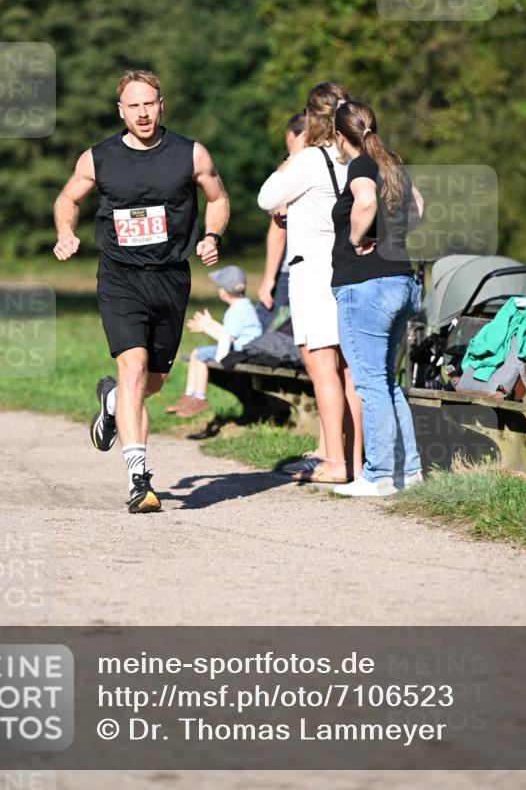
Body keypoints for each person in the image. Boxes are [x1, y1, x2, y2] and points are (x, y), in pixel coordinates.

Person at [53, 68, 229, 513]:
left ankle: (112, 401)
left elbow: (218, 197)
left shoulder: (190, 154)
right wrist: (65, 233)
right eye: (133, 105)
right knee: (132, 368)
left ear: (161, 104)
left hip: (171, 276)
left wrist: (211, 236)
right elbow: (67, 199)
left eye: (149, 103)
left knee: (152, 381)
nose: (143, 112)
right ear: (121, 110)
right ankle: (139, 480)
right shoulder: (100, 157)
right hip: (120, 276)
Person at [257, 82, 363, 485]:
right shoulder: (358, 156)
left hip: (313, 273)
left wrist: (294, 153)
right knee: (348, 370)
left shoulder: (308, 160)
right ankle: (349, 459)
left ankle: (333, 462)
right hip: (350, 271)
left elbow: (267, 197)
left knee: (322, 368)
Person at [331, 99, 424, 497]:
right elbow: (419, 207)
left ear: (339, 137)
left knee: (369, 384)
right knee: (386, 382)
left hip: (365, 286)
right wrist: (393, 237)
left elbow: (365, 201)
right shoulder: (392, 164)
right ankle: (410, 472)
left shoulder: (360, 165)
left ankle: (379, 475)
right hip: (402, 280)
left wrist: (356, 239)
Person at [167, 265, 262, 418]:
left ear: (224, 292)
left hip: (242, 352)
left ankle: (199, 398)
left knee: (200, 355)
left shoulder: (235, 311)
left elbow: (226, 338)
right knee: (197, 353)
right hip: (243, 348)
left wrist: (205, 328)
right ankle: (190, 396)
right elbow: (231, 333)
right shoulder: (244, 306)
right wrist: (210, 323)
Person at [256, 113, 307, 333]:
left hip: (291, 270)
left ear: (291, 137)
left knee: (263, 336)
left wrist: (268, 280)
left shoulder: (296, 170)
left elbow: (279, 227)